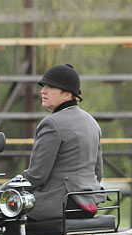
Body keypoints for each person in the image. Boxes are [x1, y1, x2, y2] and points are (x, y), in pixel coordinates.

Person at [22, 63, 105, 221]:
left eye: (50, 88)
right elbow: (98, 173)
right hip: (87, 203)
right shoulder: (92, 122)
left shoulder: (52, 124)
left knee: (9, 219)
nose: (42, 91)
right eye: (43, 86)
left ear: (67, 95)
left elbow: (37, 176)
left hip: (59, 204)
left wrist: (7, 189)